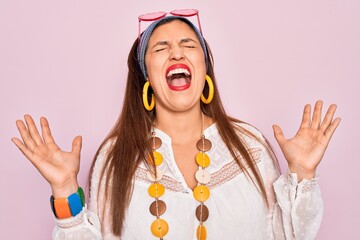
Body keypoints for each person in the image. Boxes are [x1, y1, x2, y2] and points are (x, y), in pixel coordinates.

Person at [12, 10, 341, 240]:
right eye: (161, 48)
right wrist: (65, 189)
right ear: (146, 76)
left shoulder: (249, 146)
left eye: (188, 45)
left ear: (204, 67)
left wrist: (303, 173)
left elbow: (288, 235)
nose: (176, 54)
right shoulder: (116, 157)